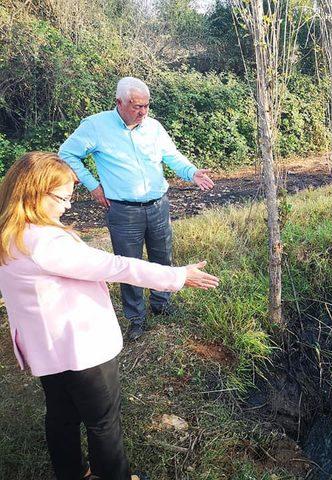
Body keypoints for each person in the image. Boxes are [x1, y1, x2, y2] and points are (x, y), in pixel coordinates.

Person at [0, 152, 219, 480]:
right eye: (62, 197)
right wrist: (176, 276)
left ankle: (72, 472)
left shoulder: (10, 235)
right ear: (35, 193)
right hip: (80, 349)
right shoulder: (45, 241)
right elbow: (116, 265)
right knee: (103, 422)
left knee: (61, 416)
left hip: (46, 349)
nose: (68, 206)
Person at [59, 76, 215, 341]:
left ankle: (162, 303)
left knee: (162, 255)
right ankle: (136, 318)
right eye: (136, 106)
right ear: (119, 102)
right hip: (123, 210)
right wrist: (93, 186)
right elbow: (67, 153)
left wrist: (192, 172)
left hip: (157, 205)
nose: (142, 112)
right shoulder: (96, 126)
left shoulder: (153, 127)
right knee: (128, 264)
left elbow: (171, 156)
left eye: (146, 106)